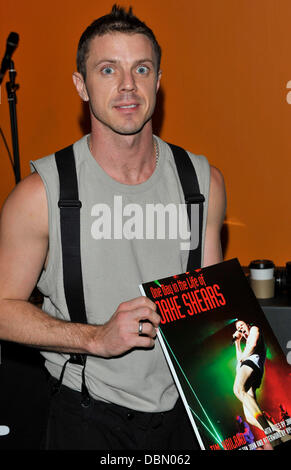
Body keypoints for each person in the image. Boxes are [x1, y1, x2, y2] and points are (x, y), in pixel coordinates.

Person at [0, 5, 226, 450]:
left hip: (189, 414)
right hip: (86, 412)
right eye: (108, 69)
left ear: (158, 82)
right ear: (81, 85)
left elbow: (213, 307)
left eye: (141, 68)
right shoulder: (40, 194)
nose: (127, 85)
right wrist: (96, 338)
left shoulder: (202, 181)